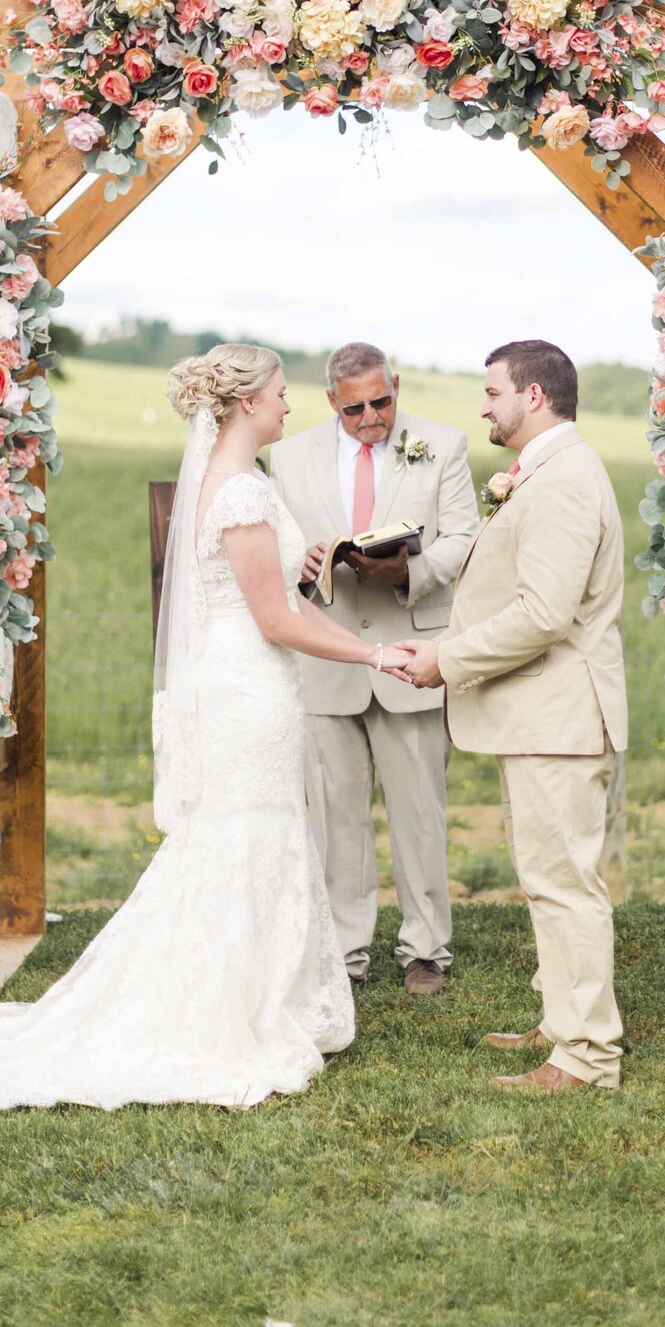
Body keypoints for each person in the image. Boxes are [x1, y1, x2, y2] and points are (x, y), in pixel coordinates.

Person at [0, 345, 414, 1111]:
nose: (290, 405)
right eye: (281, 393)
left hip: (240, 682)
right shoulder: (244, 495)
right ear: (244, 404)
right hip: (249, 686)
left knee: (244, 837)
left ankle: (249, 997)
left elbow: (260, 588)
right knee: (248, 837)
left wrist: (310, 567)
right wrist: (376, 651)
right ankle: (227, 1013)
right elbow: (274, 619)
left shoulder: (232, 487)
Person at [401, 340, 627, 1091]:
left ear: (534, 397)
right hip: (538, 716)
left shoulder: (563, 480)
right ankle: (561, 1020)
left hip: (558, 718)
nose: (484, 406)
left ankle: (587, 1055)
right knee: (547, 879)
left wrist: (446, 659)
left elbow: (542, 614)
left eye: (493, 391)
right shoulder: (549, 470)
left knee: (567, 885)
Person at [270, 342, 478, 995]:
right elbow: (271, 546)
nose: (371, 418)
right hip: (327, 650)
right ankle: (346, 952)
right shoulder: (290, 455)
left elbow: (466, 537)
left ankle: (425, 950)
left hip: (411, 654)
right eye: (355, 407)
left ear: (397, 386)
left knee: (419, 810)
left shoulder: (443, 445)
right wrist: (298, 563)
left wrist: (412, 572)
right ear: (332, 401)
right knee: (335, 814)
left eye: (382, 401)